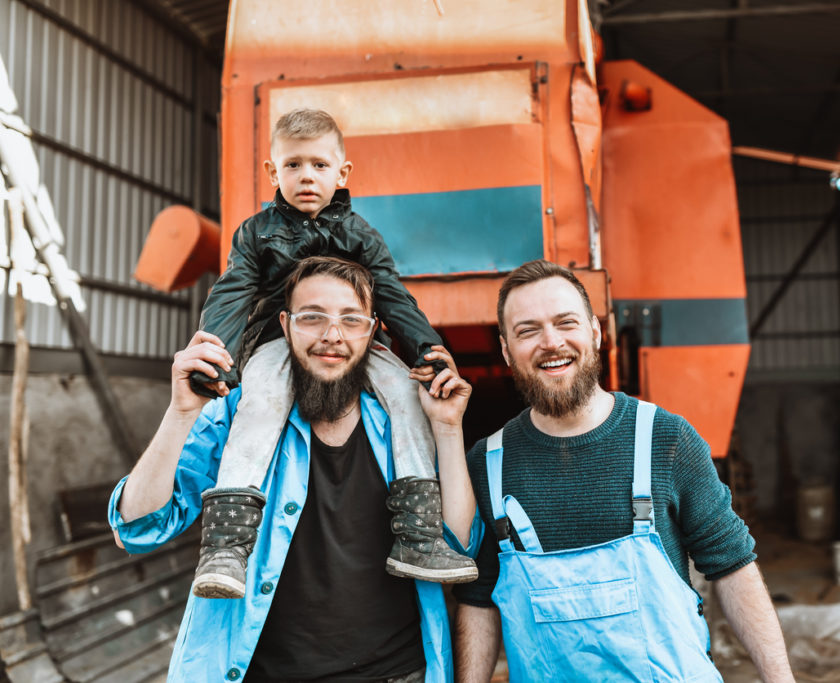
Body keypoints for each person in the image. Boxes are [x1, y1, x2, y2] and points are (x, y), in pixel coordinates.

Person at [108, 256, 480, 683]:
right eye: (312, 318)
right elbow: (138, 528)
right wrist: (180, 413)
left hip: (399, 673)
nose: (332, 336)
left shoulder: (406, 420)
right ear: (285, 325)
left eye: (351, 320)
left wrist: (449, 428)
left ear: (373, 331)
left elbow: (460, 545)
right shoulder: (237, 414)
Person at [453, 260, 794, 682]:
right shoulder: (488, 464)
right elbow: (478, 597)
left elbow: (732, 566)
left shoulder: (666, 440)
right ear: (506, 350)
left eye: (566, 322)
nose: (551, 341)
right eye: (528, 330)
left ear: (596, 333)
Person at [187, 108, 476, 598]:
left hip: (361, 346)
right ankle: (227, 548)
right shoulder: (256, 233)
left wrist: (427, 349)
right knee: (260, 405)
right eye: (293, 165)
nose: (306, 176)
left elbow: (390, 294)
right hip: (282, 343)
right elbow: (232, 294)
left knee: (407, 398)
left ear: (342, 173)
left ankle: (417, 535)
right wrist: (216, 355)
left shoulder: (361, 235)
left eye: (319, 165)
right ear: (271, 172)